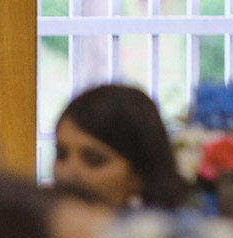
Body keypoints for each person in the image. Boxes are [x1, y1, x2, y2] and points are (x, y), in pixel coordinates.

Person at [53, 83, 189, 211]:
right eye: (62, 154)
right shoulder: (43, 230)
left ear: (139, 174)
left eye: (94, 160)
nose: (69, 173)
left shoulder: (172, 233)